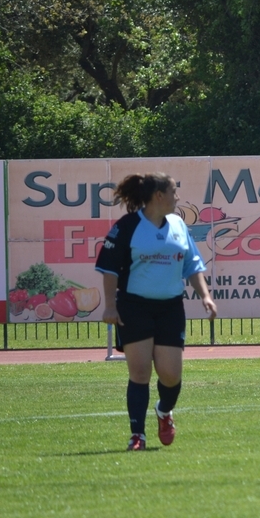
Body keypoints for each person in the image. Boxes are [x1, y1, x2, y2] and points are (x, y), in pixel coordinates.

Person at [95, 172, 217, 451]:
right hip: (134, 307)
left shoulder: (178, 225)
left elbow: (193, 265)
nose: (177, 197)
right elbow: (110, 268)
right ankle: (137, 435)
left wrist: (206, 297)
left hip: (170, 308)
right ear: (159, 196)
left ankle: (164, 411)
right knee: (140, 373)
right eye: (174, 192)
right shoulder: (127, 226)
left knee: (171, 376)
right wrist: (110, 305)